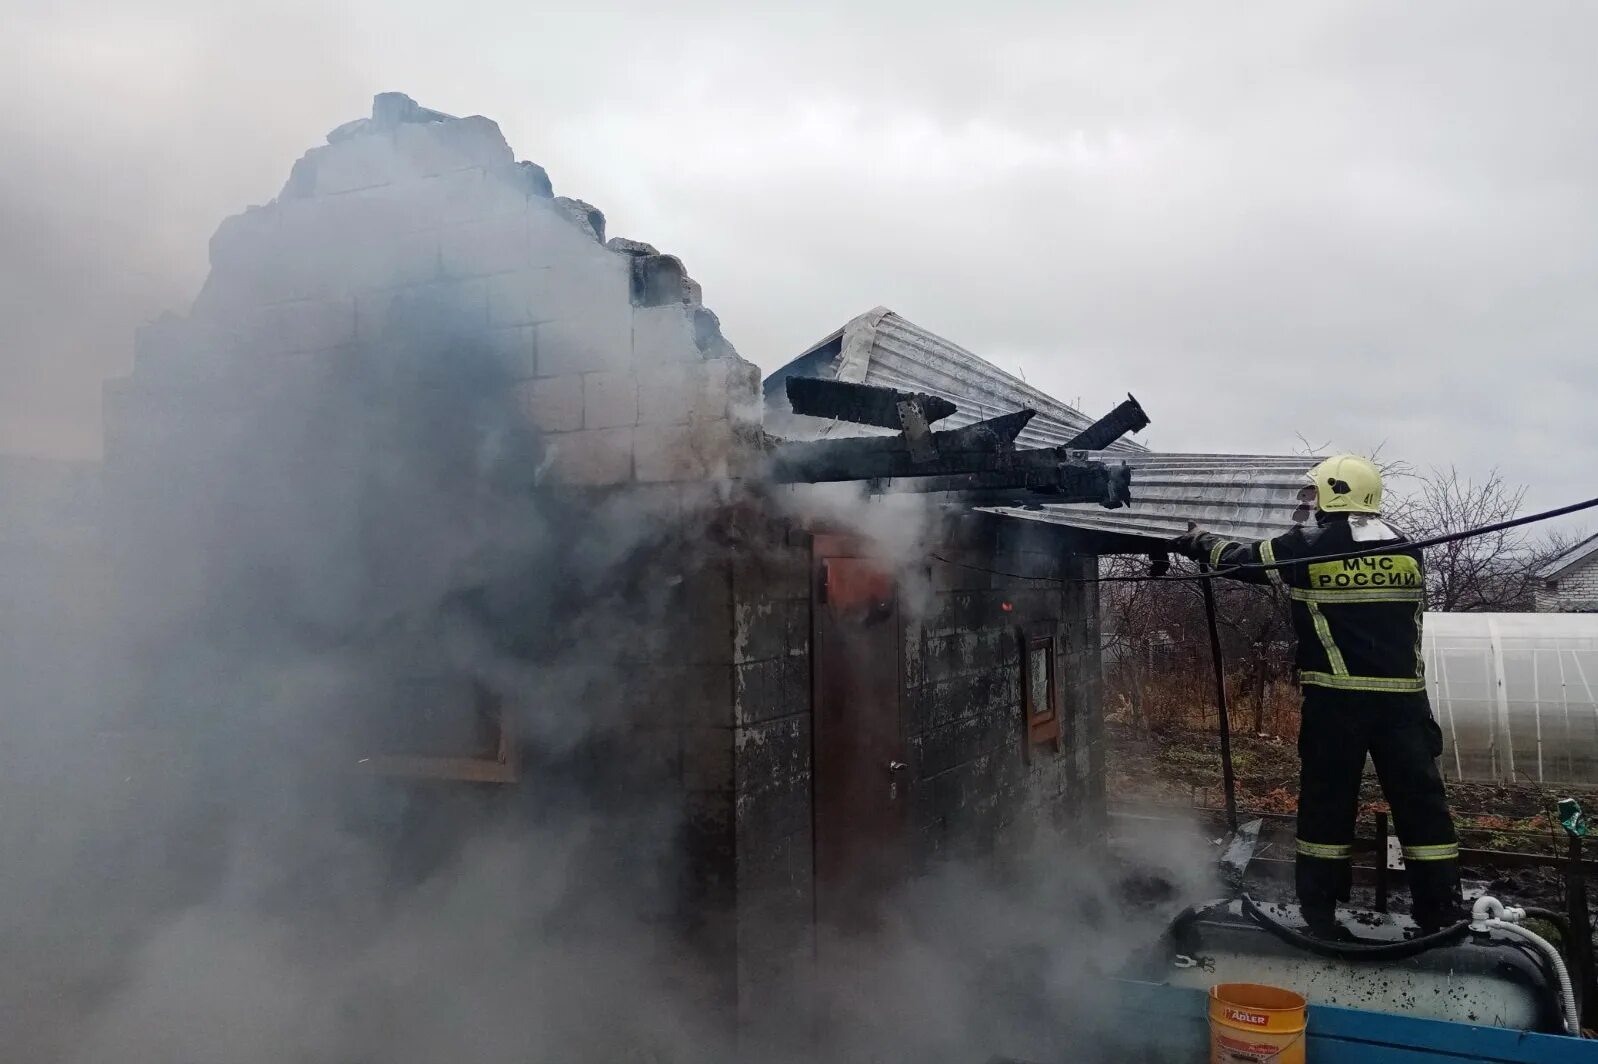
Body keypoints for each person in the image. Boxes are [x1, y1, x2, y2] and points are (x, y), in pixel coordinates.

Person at [1170, 454, 1463, 935]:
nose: (1309, 503)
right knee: (1423, 808)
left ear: (1334, 493)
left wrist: (1199, 540)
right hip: (1406, 706)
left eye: (1314, 493)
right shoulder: (1409, 548)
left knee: (1327, 806)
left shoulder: (1308, 546)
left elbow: (1241, 561)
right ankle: (1441, 912)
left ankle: (1321, 914)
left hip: (1337, 705)